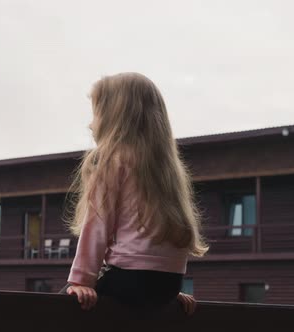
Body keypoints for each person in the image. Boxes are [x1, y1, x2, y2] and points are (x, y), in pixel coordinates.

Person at [59, 72, 208, 316]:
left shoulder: (110, 159)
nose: (90, 123)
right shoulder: (166, 167)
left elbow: (97, 226)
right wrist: (165, 295)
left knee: (59, 307)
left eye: (95, 113)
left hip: (129, 281)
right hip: (168, 284)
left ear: (113, 116)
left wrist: (81, 281)